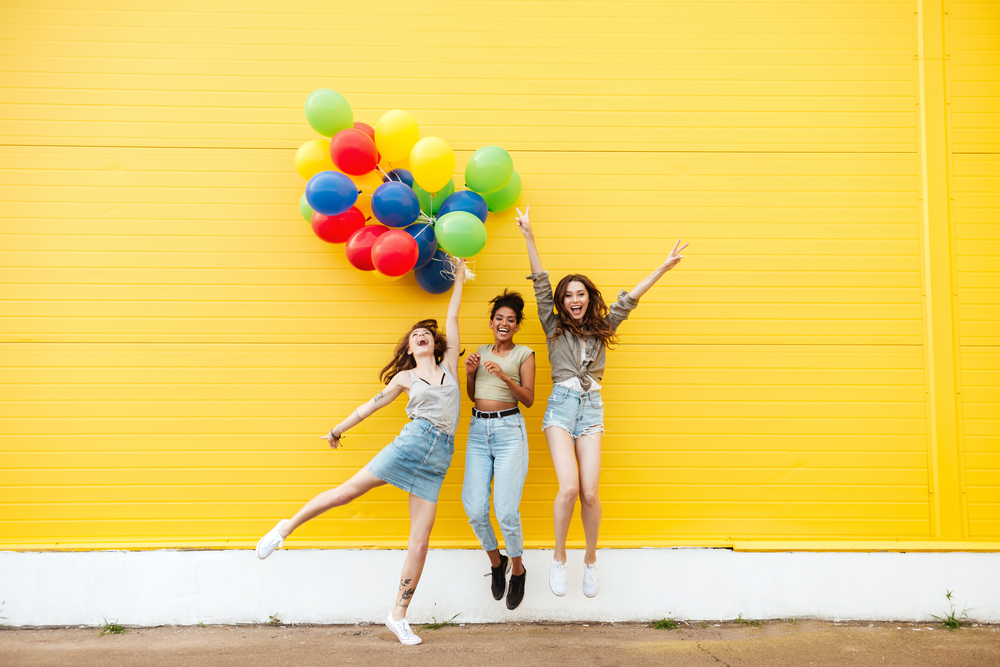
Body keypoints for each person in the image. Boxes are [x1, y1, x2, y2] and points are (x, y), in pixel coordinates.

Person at [255, 260, 467, 646]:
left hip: (438, 459)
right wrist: (338, 429)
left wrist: (459, 280)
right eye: (414, 335)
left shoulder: (450, 366)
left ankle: (398, 616)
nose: (421, 336)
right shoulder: (405, 378)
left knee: (419, 543)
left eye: (426, 334)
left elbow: (452, 316)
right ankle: (284, 528)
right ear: (408, 347)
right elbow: (370, 406)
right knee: (345, 493)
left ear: (437, 345)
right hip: (409, 445)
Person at [515, 205, 687, 599]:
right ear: (561, 302)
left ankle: (590, 559)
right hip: (560, 408)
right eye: (568, 296)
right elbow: (541, 283)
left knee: (591, 493)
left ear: (589, 298)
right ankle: (559, 557)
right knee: (570, 488)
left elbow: (629, 300)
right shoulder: (553, 325)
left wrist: (662, 268)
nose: (574, 300)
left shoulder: (603, 325)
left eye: (580, 294)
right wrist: (529, 235)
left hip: (592, 409)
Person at [462, 289, 536, 610]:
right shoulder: (480, 351)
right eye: (499, 318)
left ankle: (518, 569)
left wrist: (505, 376)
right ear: (491, 323)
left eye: (511, 320)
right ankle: (497, 562)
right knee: (475, 509)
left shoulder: (525, 354)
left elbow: (528, 399)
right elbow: (472, 395)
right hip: (479, 430)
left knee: (506, 511)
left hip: (509, 431)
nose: (504, 323)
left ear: (516, 326)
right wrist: (469, 374)